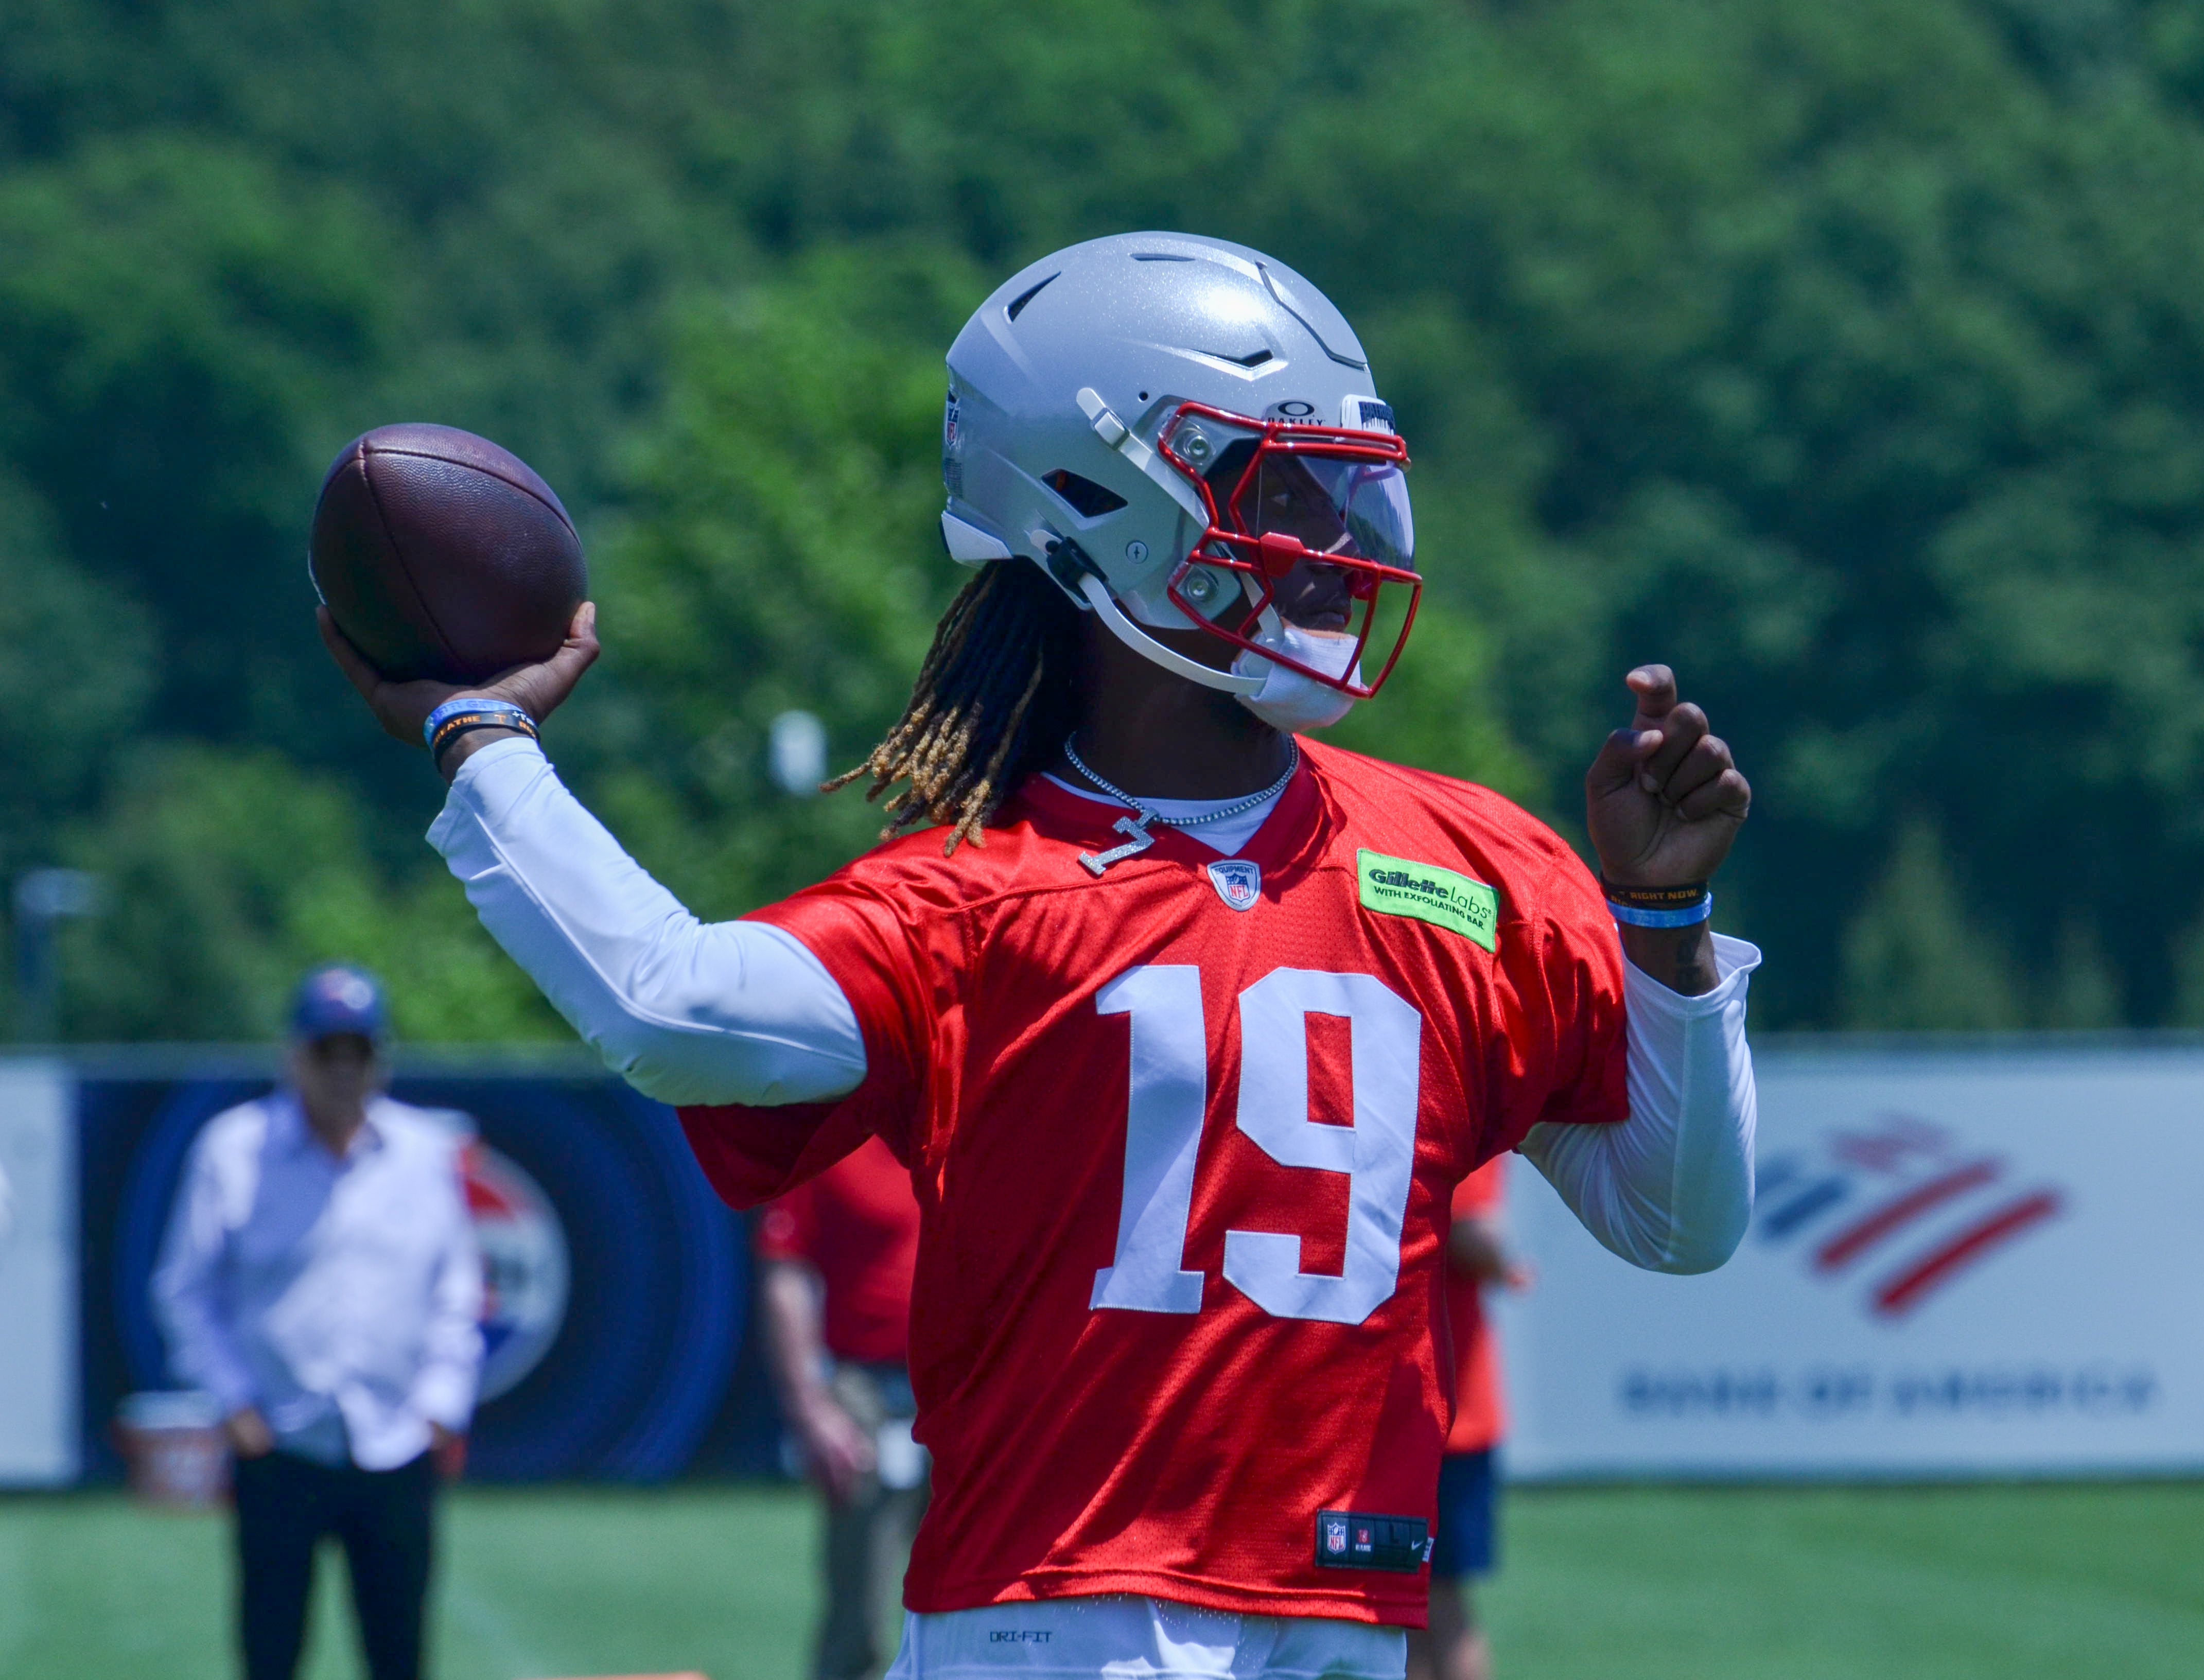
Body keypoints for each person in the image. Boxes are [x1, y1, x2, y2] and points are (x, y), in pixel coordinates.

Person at [323, 230, 1761, 1679]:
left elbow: (1680, 1223)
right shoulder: (980, 904)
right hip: (1061, 1623)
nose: (1338, 543)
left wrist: (1666, 925)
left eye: (1344, 486)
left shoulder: (1470, 865)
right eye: (1283, 488)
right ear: (1105, 509)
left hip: (1344, 1626)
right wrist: (483, 741)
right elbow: (667, 1007)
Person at [152, 965, 483, 1680]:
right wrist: (233, 1401)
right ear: (292, 1055)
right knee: (270, 1652)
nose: (342, 1068)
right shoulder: (233, 1149)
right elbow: (185, 1290)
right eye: (326, 1049)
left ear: (381, 1058)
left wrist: (440, 1404)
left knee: (399, 1655)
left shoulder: (424, 1151)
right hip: (279, 1441)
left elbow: (456, 1289)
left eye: (357, 1050)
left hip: (396, 1440)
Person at [760, 1135, 929, 1680]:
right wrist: (811, 1407)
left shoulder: (975, 1126)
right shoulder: (831, 1140)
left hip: (964, 1385)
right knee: (860, 1600)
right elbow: (786, 1270)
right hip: (865, 1385)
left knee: (984, 1593)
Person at [1407, 1154, 1526, 1680]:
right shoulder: (1470, 1120)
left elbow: (1470, 1230)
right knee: (1420, 1606)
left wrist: (1500, 1262)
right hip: (1437, 1412)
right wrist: (1507, 1266)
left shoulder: (1460, 1123)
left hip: (1441, 1418)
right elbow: (1476, 1236)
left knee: (1431, 1604)